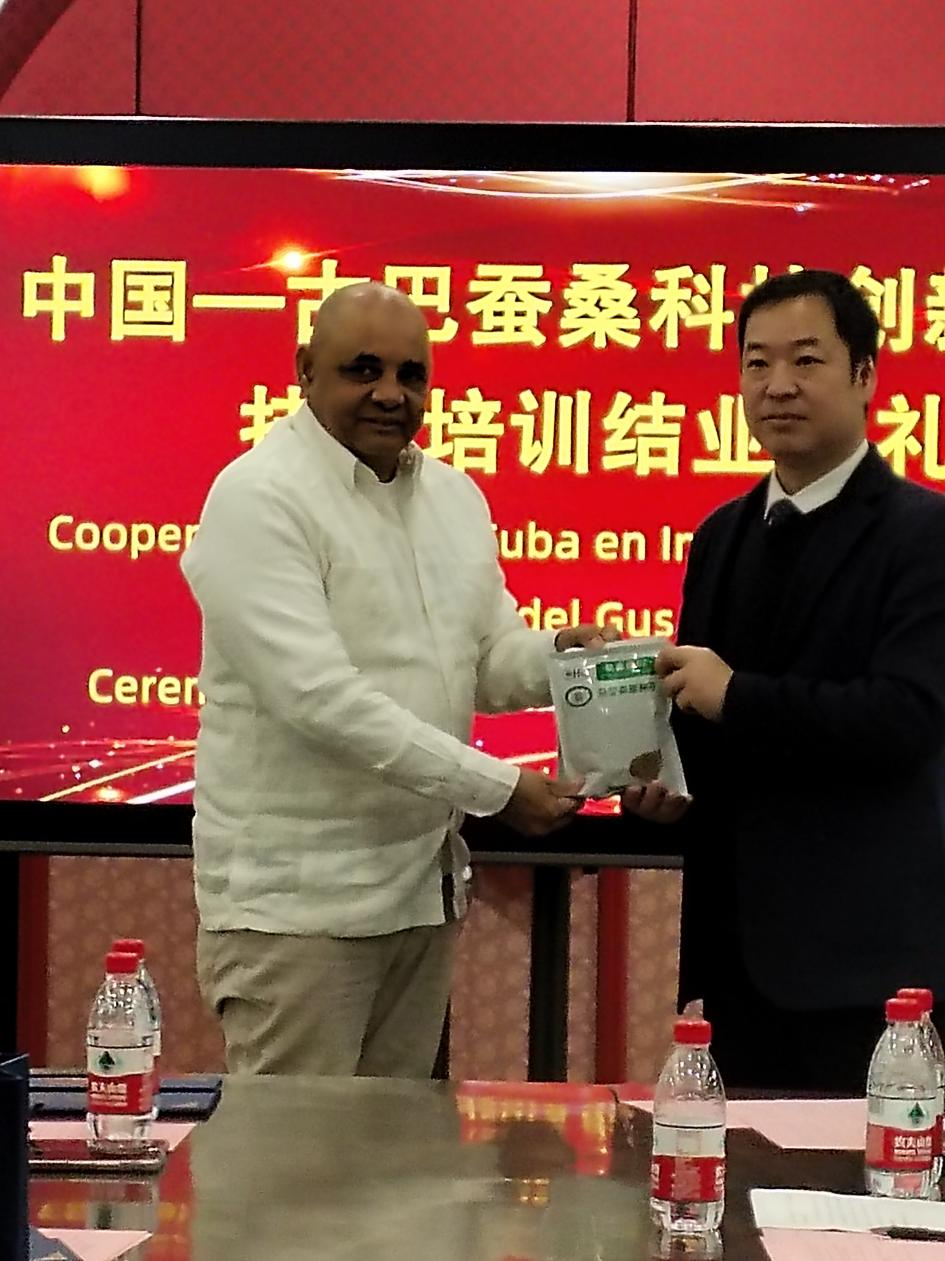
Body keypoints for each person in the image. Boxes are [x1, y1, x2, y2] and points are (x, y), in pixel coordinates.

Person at [181, 282, 611, 1078]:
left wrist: (566, 657)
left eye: (411, 375)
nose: (389, 393)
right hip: (298, 913)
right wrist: (497, 788)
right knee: (297, 1155)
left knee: (391, 1155)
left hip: (420, 895)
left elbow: (485, 660)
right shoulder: (257, 496)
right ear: (304, 370)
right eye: (363, 369)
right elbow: (319, 698)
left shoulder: (452, 496)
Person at [623, 269, 945, 1092]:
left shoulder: (923, 532)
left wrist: (734, 694)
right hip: (732, 959)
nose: (777, 386)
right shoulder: (719, 534)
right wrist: (657, 782)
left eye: (805, 360)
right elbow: (705, 726)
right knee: (730, 1169)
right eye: (756, 363)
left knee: (861, 1174)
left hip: (864, 963)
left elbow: (905, 716)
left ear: (864, 374)